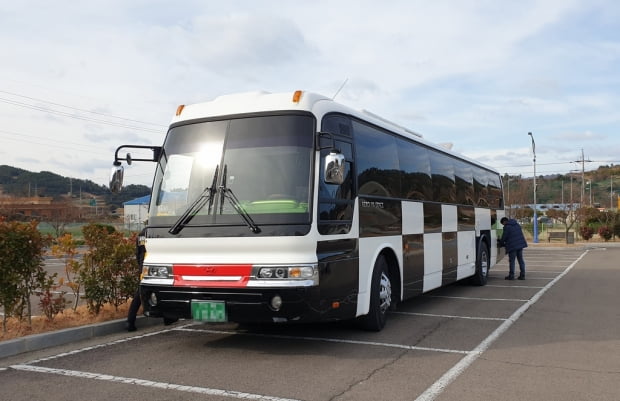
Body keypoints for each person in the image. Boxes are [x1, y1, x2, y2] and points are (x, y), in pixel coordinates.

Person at [126, 228, 146, 332]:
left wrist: (140, 265)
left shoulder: (142, 234)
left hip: (144, 266)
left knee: (139, 293)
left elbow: (138, 253)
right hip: (154, 266)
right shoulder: (156, 232)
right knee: (139, 294)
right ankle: (130, 321)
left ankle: (130, 321)